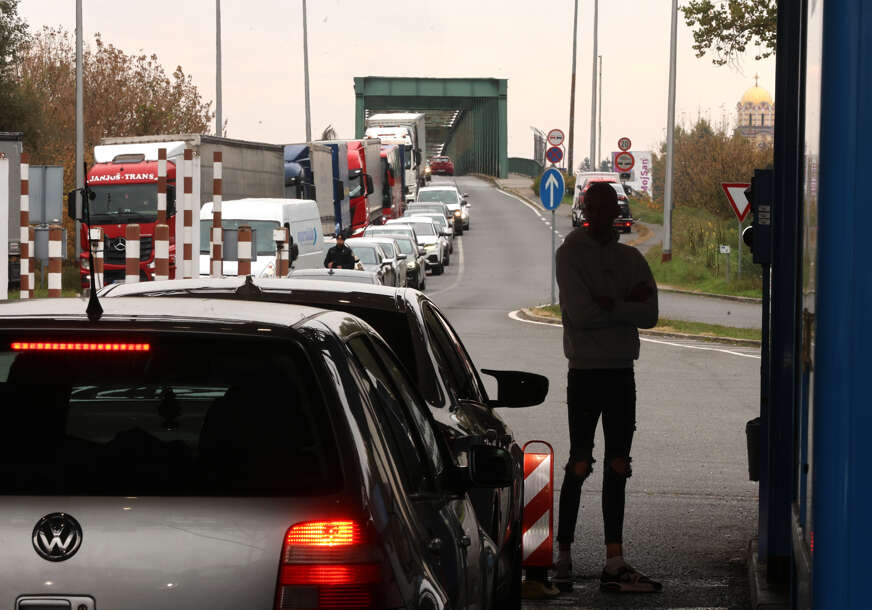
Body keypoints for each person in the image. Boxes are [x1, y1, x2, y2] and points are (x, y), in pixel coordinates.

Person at [553, 181, 661, 594]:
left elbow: (650, 315)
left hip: (620, 371)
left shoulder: (631, 257)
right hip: (585, 370)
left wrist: (607, 302)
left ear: (617, 210)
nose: (603, 216)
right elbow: (579, 314)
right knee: (579, 462)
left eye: (609, 208)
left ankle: (613, 560)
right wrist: (623, 304)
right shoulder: (569, 254)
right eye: (595, 208)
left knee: (619, 464)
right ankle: (564, 555)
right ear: (584, 210)